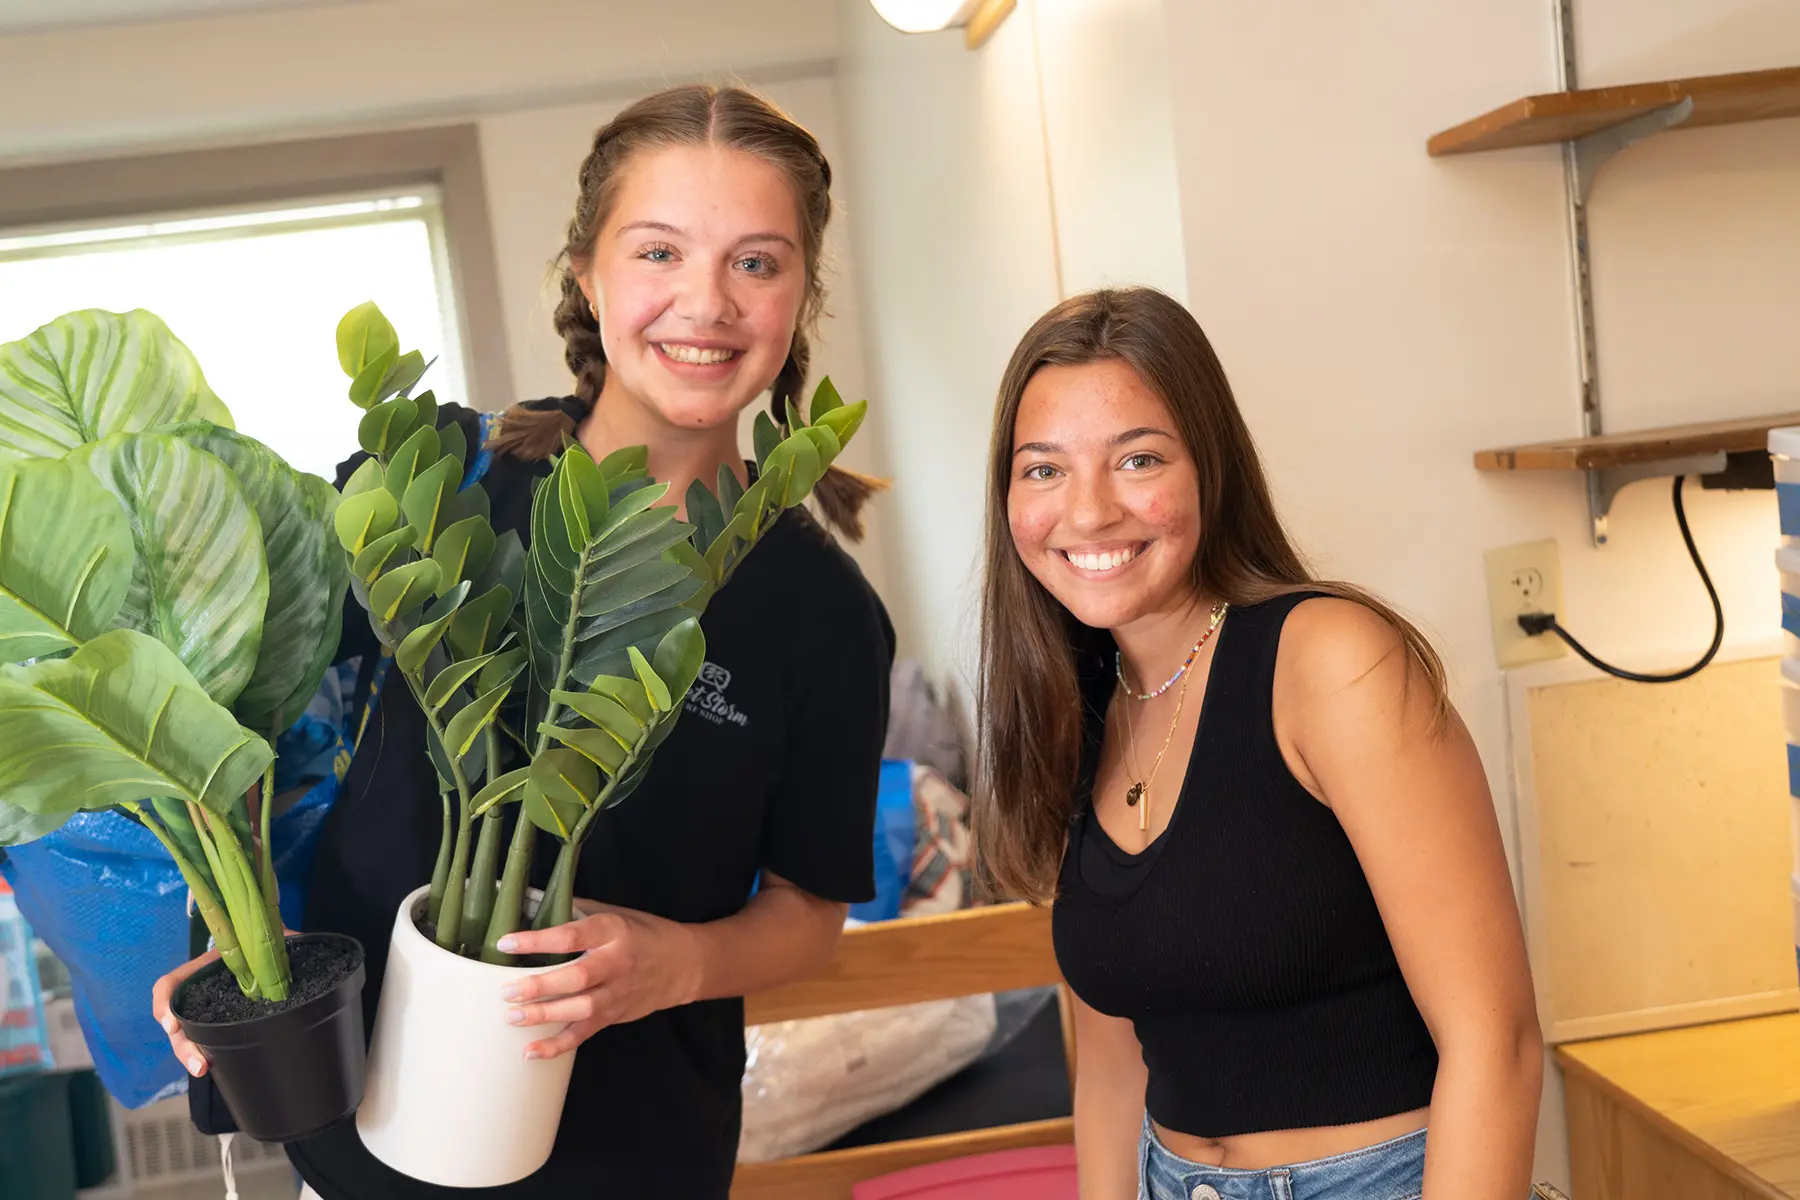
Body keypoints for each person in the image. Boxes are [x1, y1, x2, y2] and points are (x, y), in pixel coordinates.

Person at [151, 85, 895, 1199]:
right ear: (590, 275)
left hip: (630, 1154)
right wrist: (227, 933)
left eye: (757, 262)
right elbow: (235, 715)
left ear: (801, 294)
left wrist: (675, 962)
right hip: (359, 1134)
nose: (707, 303)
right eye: (659, 252)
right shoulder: (436, 483)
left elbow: (808, 912)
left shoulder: (825, 613)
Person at [973, 288, 1541, 1199]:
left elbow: (1496, 1041)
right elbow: (1114, 1068)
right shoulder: (1073, 702)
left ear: (1211, 468)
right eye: (1044, 470)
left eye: (1138, 459)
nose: (1088, 512)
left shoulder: (1332, 661)